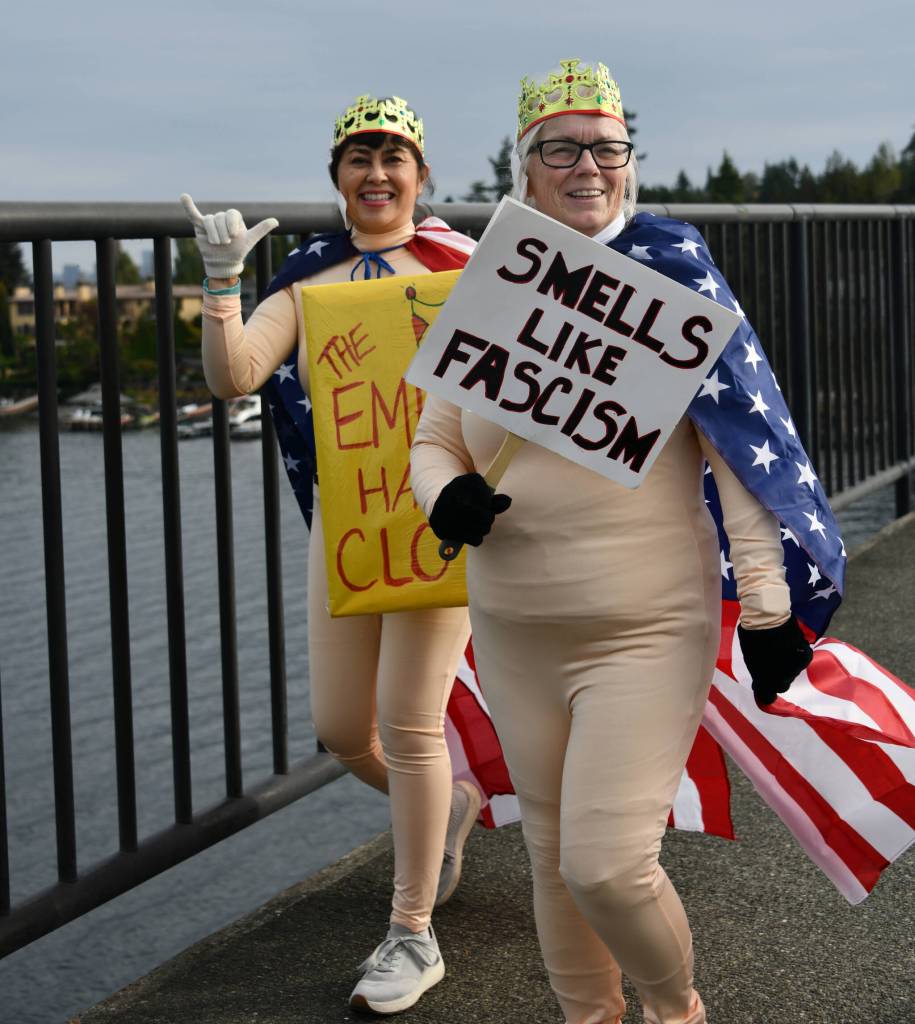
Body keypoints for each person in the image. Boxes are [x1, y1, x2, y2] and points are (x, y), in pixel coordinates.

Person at [411, 59, 838, 1024]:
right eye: (559, 149)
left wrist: (768, 607)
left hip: (642, 624)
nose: (585, 166)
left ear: (630, 164)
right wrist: (447, 499)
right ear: (525, 172)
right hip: (515, 627)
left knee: (606, 863)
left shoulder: (669, 281)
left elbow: (741, 454)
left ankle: (674, 1009)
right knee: (553, 856)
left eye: (605, 147)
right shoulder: (492, 284)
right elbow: (432, 440)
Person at [181, 93, 482, 1015]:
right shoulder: (307, 278)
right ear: (337, 177)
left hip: (437, 522)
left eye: (394, 156)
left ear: (422, 177)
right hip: (346, 532)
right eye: (359, 157)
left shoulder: (465, 269)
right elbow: (236, 373)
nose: (378, 172)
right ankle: (452, 812)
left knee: (408, 722)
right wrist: (224, 283)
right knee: (343, 731)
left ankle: (411, 932)